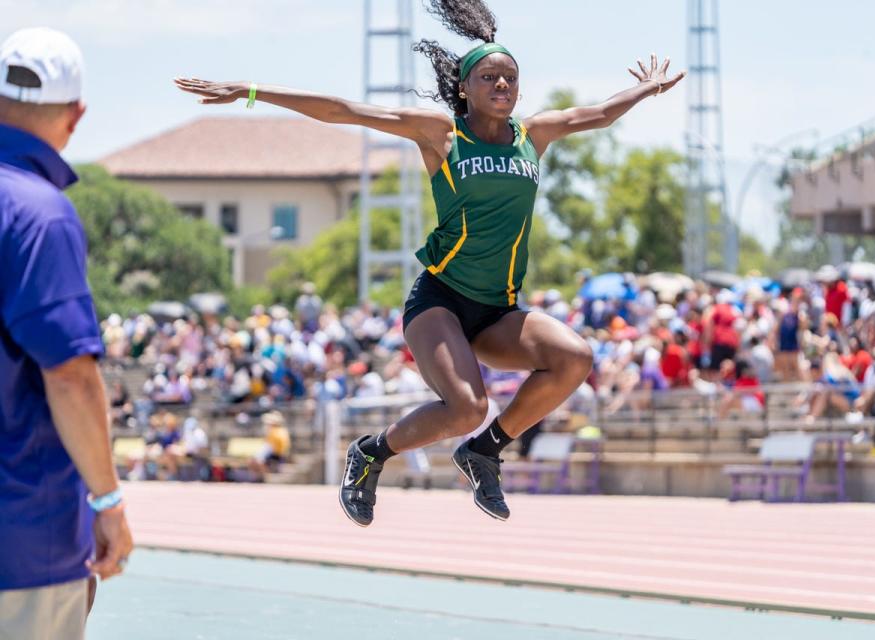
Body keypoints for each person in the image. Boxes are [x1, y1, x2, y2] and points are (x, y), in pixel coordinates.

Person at [176, 0, 684, 526]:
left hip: (497, 310)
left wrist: (647, 88)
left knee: (575, 357)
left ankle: (484, 451)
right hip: (440, 301)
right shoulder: (442, 134)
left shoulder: (534, 137)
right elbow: (343, 110)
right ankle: (371, 452)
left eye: (511, 78)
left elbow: (597, 114)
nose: (503, 86)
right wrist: (252, 92)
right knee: (465, 406)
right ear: (465, 87)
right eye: (490, 77)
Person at [0, 27, 133, 637]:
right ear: (76, 115)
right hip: (22, 532)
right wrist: (107, 503)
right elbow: (70, 376)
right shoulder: (36, 212)